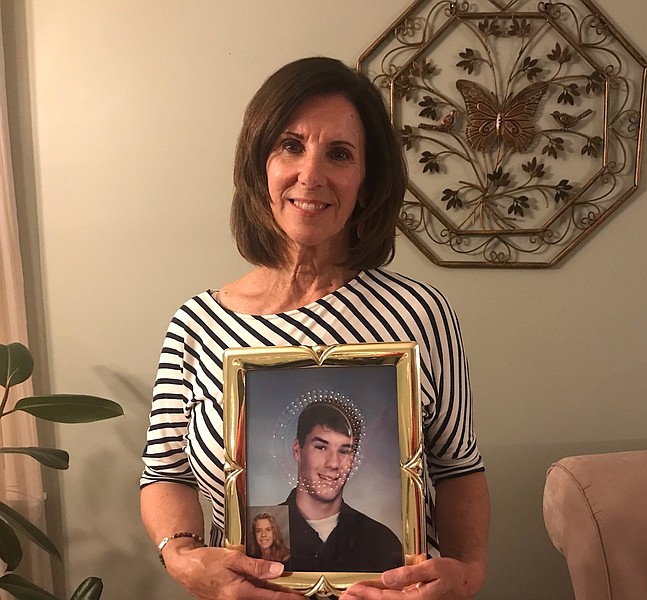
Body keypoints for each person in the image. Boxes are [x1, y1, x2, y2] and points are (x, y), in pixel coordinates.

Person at [140, 56, 489, 600]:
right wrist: (181, 556)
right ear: (260, 164)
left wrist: (467, 574)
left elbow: (459, 467)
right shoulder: (198, 324)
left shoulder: (420, 314)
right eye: (290, 145)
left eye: (340, 154)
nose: (311, 174)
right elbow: (165, 473)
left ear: (366, 180)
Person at [283, 401, 402, 572]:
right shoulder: (263, 532)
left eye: (344, 451)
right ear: (297, 450)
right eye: (321, 447)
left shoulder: (381, 541)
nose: (333, 463)